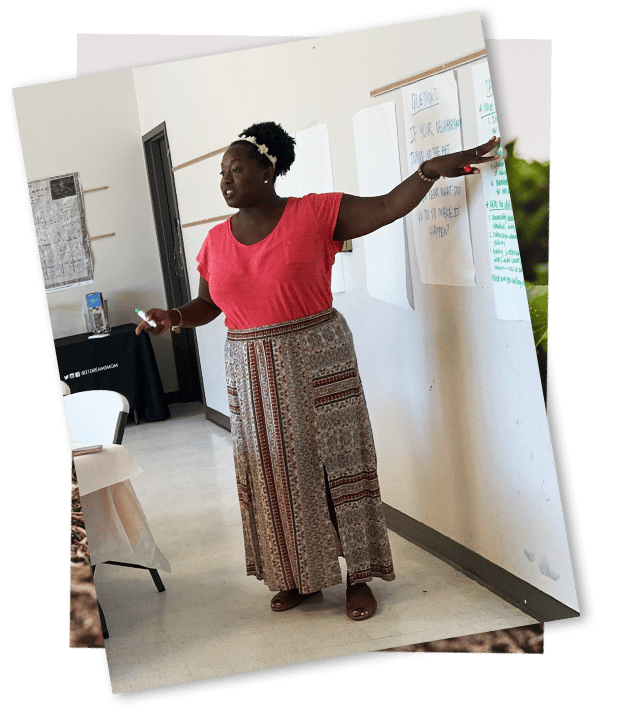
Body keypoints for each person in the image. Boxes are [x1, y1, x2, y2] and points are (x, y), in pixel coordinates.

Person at [136, 121, 500, 621]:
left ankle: (359, 576)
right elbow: (207, 303)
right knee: (275, 475)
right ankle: (299, 576)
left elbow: (387, 206)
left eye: (236, 169)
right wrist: (174, 317)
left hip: (317, 356)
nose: (225, 180)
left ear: (268, 171)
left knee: (338, 466)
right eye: (222, 172)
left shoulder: (315, 212)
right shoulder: (215, 241)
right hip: (251, 372)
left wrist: (428, 172)